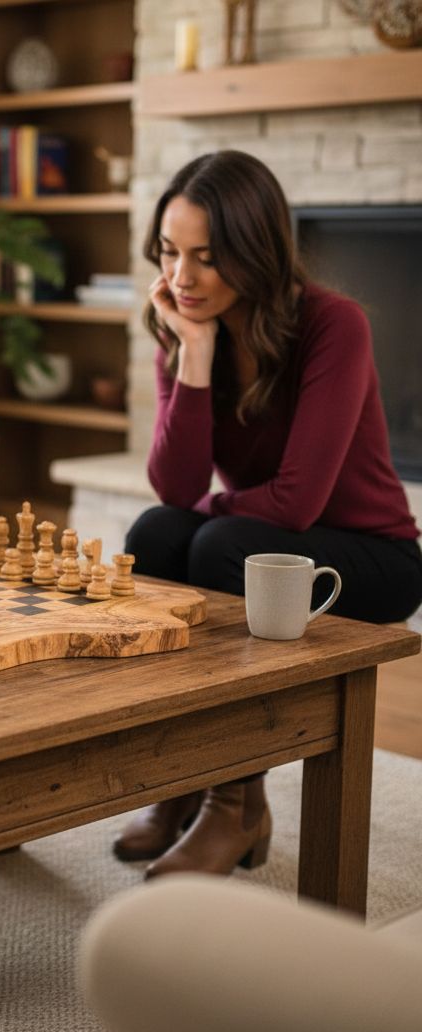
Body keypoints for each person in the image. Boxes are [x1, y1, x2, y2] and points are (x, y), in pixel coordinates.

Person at [113, 150, 422, 879]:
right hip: (265, 539)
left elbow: (298, 500)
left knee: (221, 546)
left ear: (253, 254)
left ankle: (236, 803)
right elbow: (173, 487)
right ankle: (181, 786)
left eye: (206, 258)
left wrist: (209, 511)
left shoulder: (333, 325)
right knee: (154, 537)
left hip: (372, 558)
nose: (181, 278)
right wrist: (193, 353)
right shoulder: (189, 327)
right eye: (168, 253)